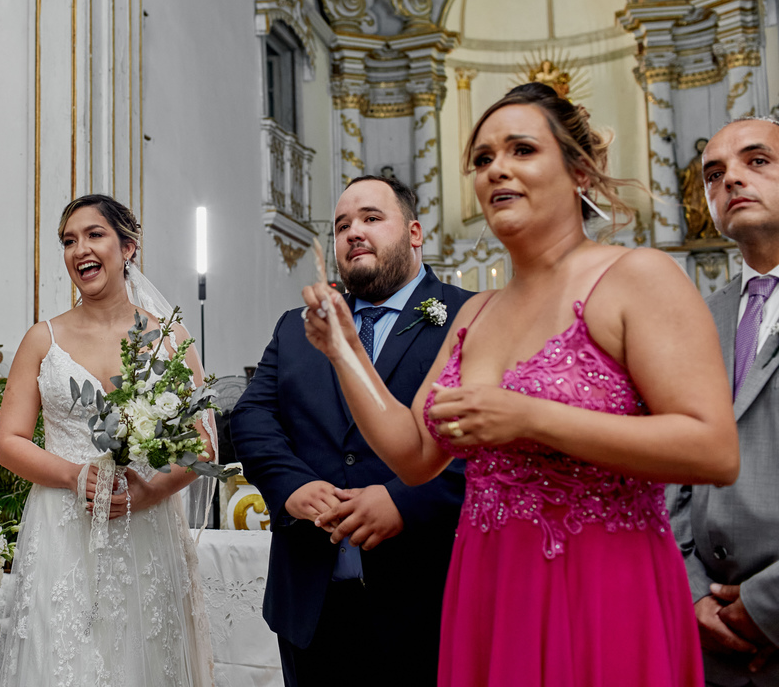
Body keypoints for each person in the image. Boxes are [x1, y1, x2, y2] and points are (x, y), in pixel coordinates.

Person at [302, 83, 739, 686]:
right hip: (489, 584)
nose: (496, 168)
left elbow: (713, 449)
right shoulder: (474, 315)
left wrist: (530, 417)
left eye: (521, 149)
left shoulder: (637, 277)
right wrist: (344, 349)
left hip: (603, 581)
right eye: (482, 159)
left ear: (579, 172)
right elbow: (412, 454)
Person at [232, 174, 471, 686]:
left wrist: (402, 502)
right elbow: (252, 419)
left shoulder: (465, 316)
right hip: (312, 602)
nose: (353, 232)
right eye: (342, 225)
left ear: (413, 233)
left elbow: (482, 442)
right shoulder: (296, 327)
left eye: (370, 218)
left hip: (424, 597)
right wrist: (292, 486)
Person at [0, 194, 214, 686]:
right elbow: (8, 441)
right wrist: (75, 475)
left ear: (128, 247)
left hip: (147, 527)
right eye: (68, 241)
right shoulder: (41, 339)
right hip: (61, 532)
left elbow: (202, 444)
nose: (79, 250)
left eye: (94, 235)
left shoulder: (168, 339)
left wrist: (149, 491)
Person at [670, 117, 779, 686]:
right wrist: (692, 597)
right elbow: (670, 475)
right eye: (714, 175)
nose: (731, 179)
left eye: (757, 161)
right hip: (711, 643)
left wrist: (765, 606)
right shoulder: (694, 319)